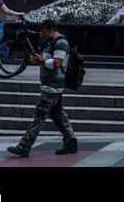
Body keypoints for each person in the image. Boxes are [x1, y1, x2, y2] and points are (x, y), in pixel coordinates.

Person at [7, 20, 78, 158]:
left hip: (52, 87)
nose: (42, 35)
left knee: (39, 117)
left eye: (44, 32)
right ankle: (71, 142)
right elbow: (47, 61)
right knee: (58, 116)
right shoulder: (51, 43)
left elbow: (57, 63)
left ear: (51, 29)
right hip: (52, 85)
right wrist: (37, 60)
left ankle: (24, 146)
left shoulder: (60, 43)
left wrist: (41, 62)